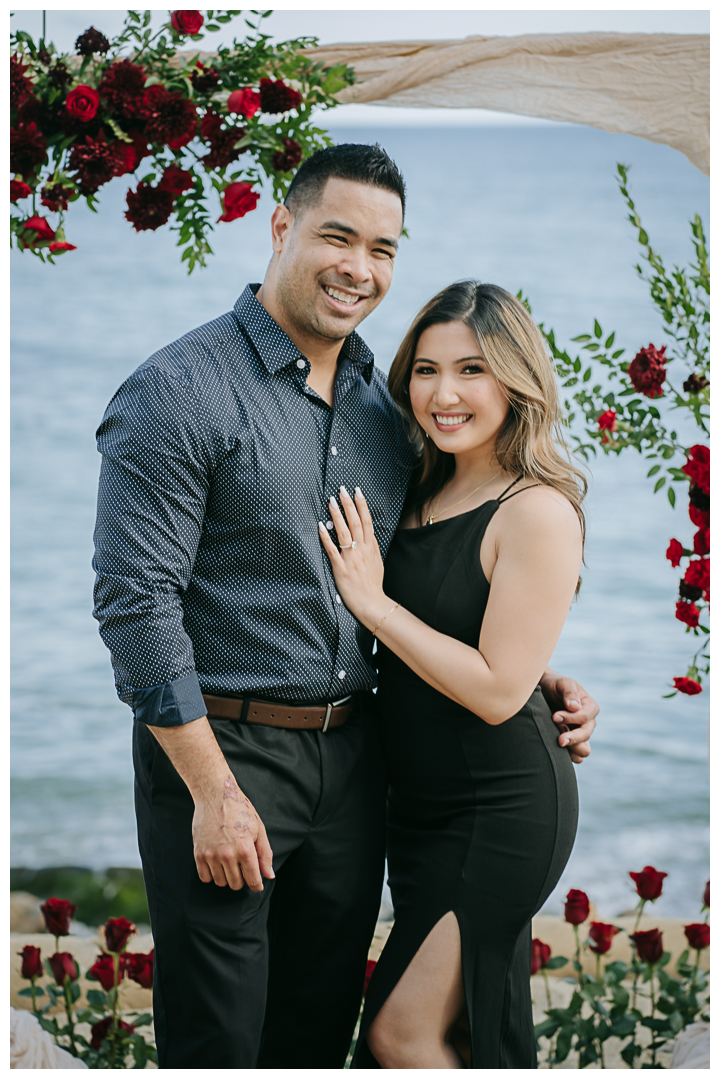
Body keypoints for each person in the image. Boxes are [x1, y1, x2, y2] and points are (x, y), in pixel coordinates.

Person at [92, 144, 598, 1069]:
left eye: (383, 247)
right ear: (281, 228)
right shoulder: (179, 391)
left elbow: (455, 574)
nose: (359, 267)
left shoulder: (382, 410)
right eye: (337, 235)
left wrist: (536, 675)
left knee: (317, 1033)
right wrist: (211, 792)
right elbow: (135, 606)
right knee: (219, 1036)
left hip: (360, 763)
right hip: (229, 752)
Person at [318, 281, 586, 1069]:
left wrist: (372, 604)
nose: (443, 393)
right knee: (464, 1036)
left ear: (516, 378)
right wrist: (550, 671)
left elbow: (499, 689)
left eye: (471, 370)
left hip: (500, 806)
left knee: (401, 1036)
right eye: (425, 370)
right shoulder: (421, 483)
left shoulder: (536, 509)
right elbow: (477, 631)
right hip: (420, 809)